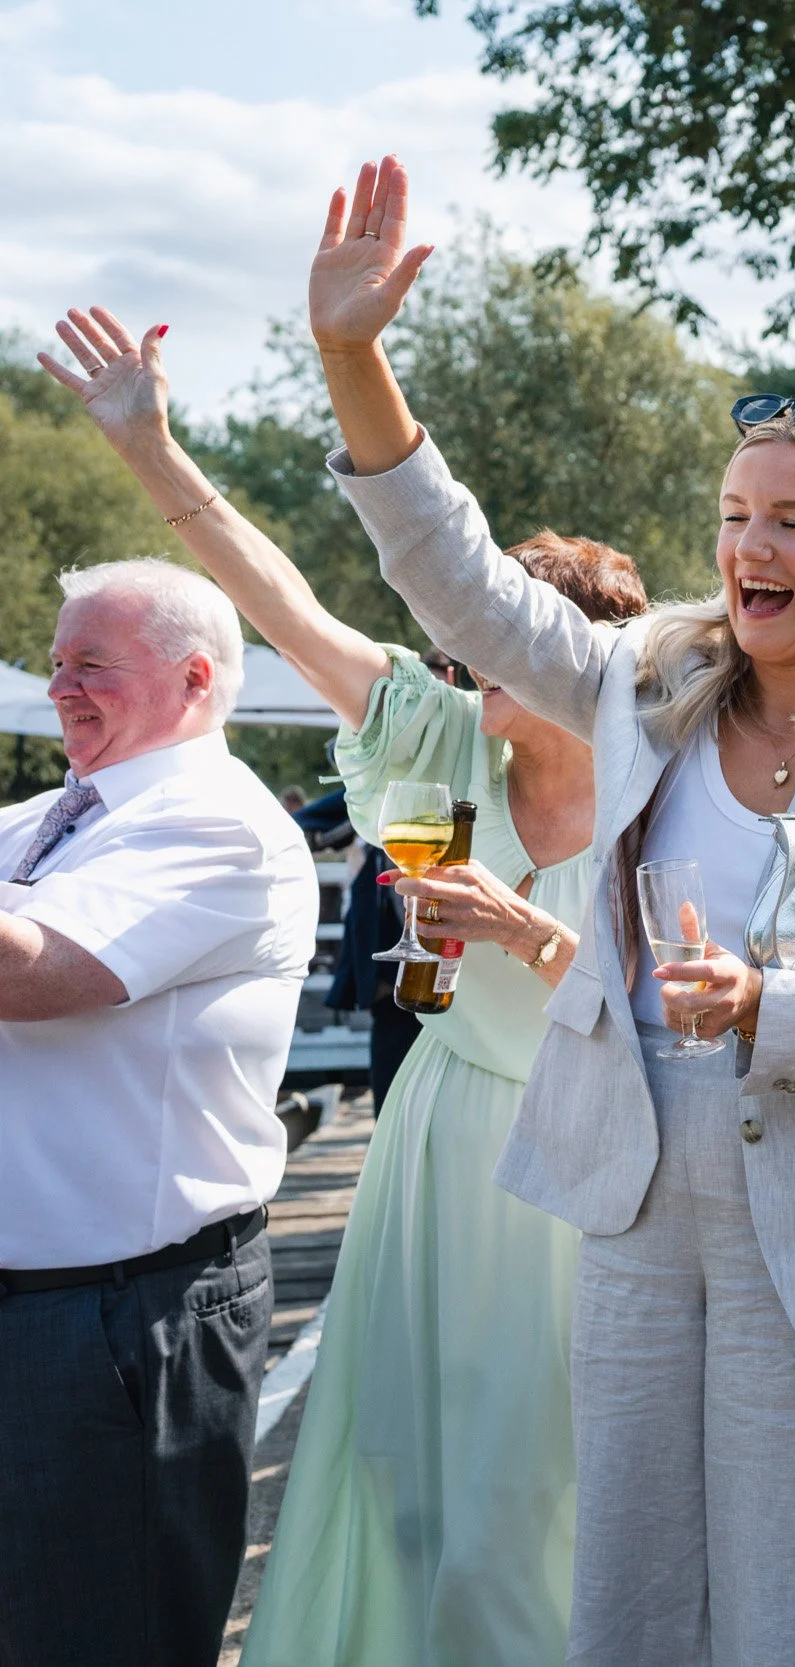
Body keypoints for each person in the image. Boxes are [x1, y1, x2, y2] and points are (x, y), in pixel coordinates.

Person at [311, 156, 795, 1664]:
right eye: (735, 515)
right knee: (626, 1613)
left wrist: (773, 1009)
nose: (752, 547)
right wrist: (355, 359)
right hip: (630, 1203)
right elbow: (464, 584)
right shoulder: (648, 686)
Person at [35, 302, 647, 1665]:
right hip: (441, 1148)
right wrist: (150, 444)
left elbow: (684, 1005)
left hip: (592, 1158)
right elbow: (281, 604)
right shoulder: (437, 736)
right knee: (415, 1491)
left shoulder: (669, 792)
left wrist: (526, 929)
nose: (465, 655)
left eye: (505, 631)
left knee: (553, 1495)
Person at [0, 556, 319, 1667]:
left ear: (194, 679)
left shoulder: (224, 825)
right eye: (55, 663)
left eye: (92, 663)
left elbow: (36, 974)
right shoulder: (48, 814)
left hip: (115, 1317)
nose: (62, 689)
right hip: (54, 1303)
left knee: (100, 1636)